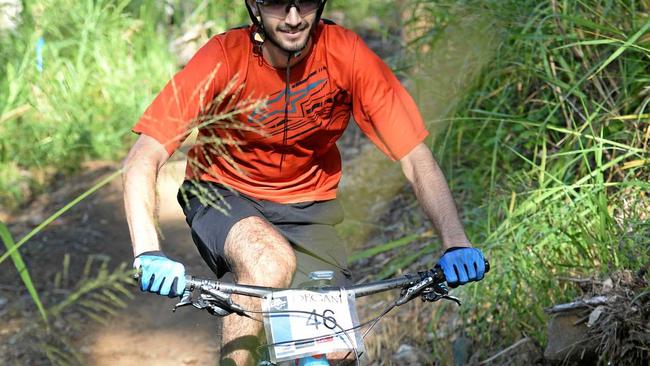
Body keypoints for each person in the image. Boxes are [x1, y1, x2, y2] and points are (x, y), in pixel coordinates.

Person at [122, 1, 487, 364]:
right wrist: (148, 251)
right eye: (279, 4)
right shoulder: (223, 56)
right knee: (268, 262)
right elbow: (142, 159)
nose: (294, 18)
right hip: (222, 192)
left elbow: (415, 156)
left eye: (305, 2)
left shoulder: (346, 54)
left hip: (309, 208)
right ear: (254, 6)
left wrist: (455, 242)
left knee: (336, 351)